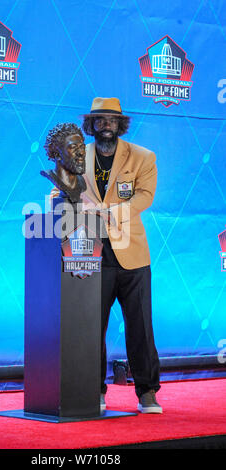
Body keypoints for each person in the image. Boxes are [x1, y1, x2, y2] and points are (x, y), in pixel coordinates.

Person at [81, 97, 162, 414]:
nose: (106, 125)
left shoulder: (143, 156)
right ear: (91, 124)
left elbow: (145, 195)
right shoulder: (76, 155)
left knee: (141, 327)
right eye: (99, 120)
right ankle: (93, 391)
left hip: (133, 257)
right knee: (90, 328)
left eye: (112, 120)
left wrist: (112, 212)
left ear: (121, 124)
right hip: (89, 255)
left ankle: (147, 393)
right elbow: (65, 193)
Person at [41, 122, 87, 204]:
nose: (81, 152)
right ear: (57, 154)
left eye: (82, 147)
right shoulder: (55, 179)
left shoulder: (81, 182)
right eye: (73, 147)